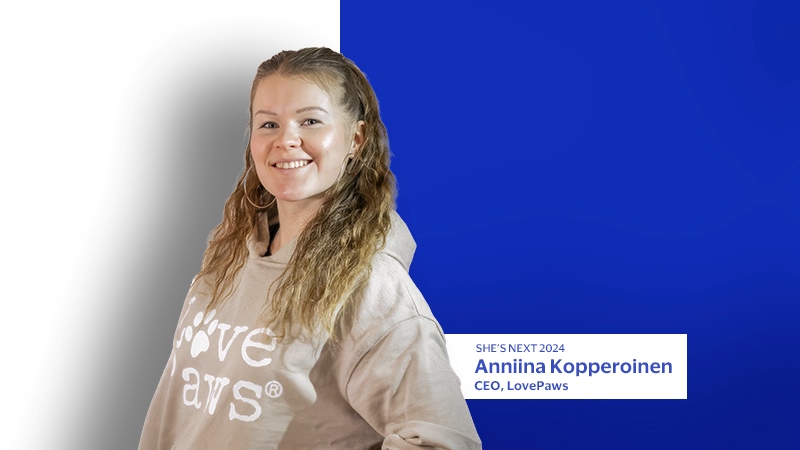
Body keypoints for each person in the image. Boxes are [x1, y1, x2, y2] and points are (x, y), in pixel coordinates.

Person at [138, 47, 481, 449]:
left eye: (311, 121)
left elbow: (442, 441)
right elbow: (180, 407)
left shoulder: (373, 288)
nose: (286, 140)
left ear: (356, 138)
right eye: (268, 124)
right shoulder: (229, 250)